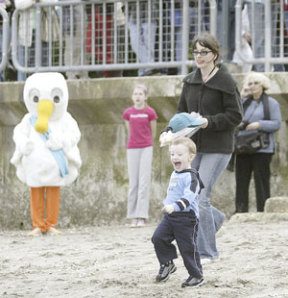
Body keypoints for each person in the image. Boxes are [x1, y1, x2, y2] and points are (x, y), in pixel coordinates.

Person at [177, 32, 243, 262]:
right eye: (196, 52)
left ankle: (207, 252)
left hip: (219, 146)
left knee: (201, 196)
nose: (199, 56)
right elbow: (181, 113)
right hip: (195, 146)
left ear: (214, 55)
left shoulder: (226, 82)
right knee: (192, 196)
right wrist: (174, 132)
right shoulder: (190, 81)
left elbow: (235, 116)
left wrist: (208, 121)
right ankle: (214, 219)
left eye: (204, 52)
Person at [10, 73, 82, 236]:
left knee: (53, 193)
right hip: (34, 162)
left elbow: (74, 134)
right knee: (35, 192)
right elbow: (19, 134)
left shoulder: (65, 118)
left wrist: (62, 142)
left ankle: (50, 223)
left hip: (54, 163)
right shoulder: (29, 119)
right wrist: (23, 145)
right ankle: (37, 223)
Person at [152, 137, 204, 288]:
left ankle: (196, 275)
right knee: (158, 238)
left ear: (191, 156)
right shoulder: (175, 173)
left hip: (187, 218)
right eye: (172, 154)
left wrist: (175, 206)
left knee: (188, 248)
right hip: (170, 216)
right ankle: (167, 263)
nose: (175, 157)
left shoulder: (192, 176)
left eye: (179, 154)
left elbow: (189, 196)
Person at [235, 72, 281, 213]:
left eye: (256, 83)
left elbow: (276, 124)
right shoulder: (243, 103)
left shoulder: (271, 103)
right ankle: (240, 212)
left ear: (263, 85)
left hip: (262, 149)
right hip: (243, 147)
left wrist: (259, 124)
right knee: (241, 182)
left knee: (261, 182)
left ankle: (263, 212)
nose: (253, 86)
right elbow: (234, 117)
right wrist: (242, 95)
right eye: (250, 83)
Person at [122, 83, 158, 227]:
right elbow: (128, 130)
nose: (137, 97)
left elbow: (153, 131)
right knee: (133, 182)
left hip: (146, 148)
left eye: (140, 94)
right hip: (132, 148)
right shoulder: (128, 113)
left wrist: (149, 143)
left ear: (145, 97)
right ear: (132, 96)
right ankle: (132, 215)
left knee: (144, 181)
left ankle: (141, 216)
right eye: (135, 94)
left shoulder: (150, 112)